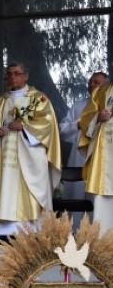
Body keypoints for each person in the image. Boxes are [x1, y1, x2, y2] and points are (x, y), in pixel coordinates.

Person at [0, 62, 60, 238]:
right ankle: (3, 232)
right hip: (4, 157)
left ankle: (30, 231)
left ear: (26, 76)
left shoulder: (38, 99)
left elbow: (47, 125)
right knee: (4, 188)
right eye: (9, 74)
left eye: (17, 73)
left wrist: (24, 127)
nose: (13, 77)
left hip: (28, 157)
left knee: (27, 189)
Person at [60, 72, 109, 200]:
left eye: (96, 82)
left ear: (106, 85)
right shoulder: (78, 106)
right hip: (79, 157)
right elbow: (62, 130)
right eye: (90, 82)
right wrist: (81, 123)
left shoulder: (110, 105)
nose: (91, 84)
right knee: (77, 197)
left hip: (104, 158)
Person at [78, 73, 113, 233]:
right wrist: (97, 117)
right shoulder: (101, 91)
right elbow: (84, 119)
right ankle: (102, 243)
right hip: (104, 156)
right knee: (102, 196)